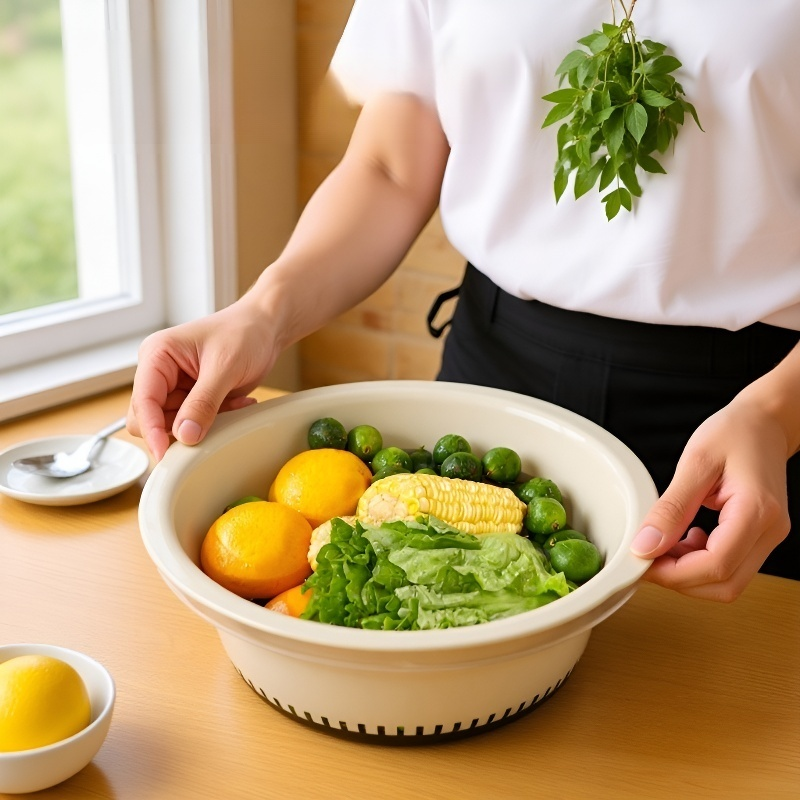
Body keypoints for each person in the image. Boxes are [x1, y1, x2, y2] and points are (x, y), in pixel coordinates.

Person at [127, 1, 800, 600]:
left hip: (760, 410)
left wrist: (777, 414)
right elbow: (390, 166)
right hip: (500, 372)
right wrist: (262, 313)